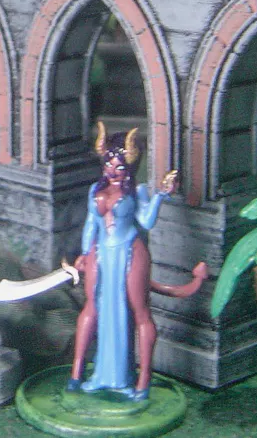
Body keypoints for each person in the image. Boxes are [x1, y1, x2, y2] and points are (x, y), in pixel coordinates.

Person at [66, 123, 197, 401]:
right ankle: (81, 374)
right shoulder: (95, 189)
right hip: (101, 254)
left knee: (140, 313)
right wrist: (85, 252)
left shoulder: (137, 191)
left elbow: (146, 222)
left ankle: (142, 381)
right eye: (108, 165)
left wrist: (161, 195)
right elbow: (91, 223)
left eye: (119, 167)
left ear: (130, 167)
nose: (112, 171)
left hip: (129, 252)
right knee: (92, 308)